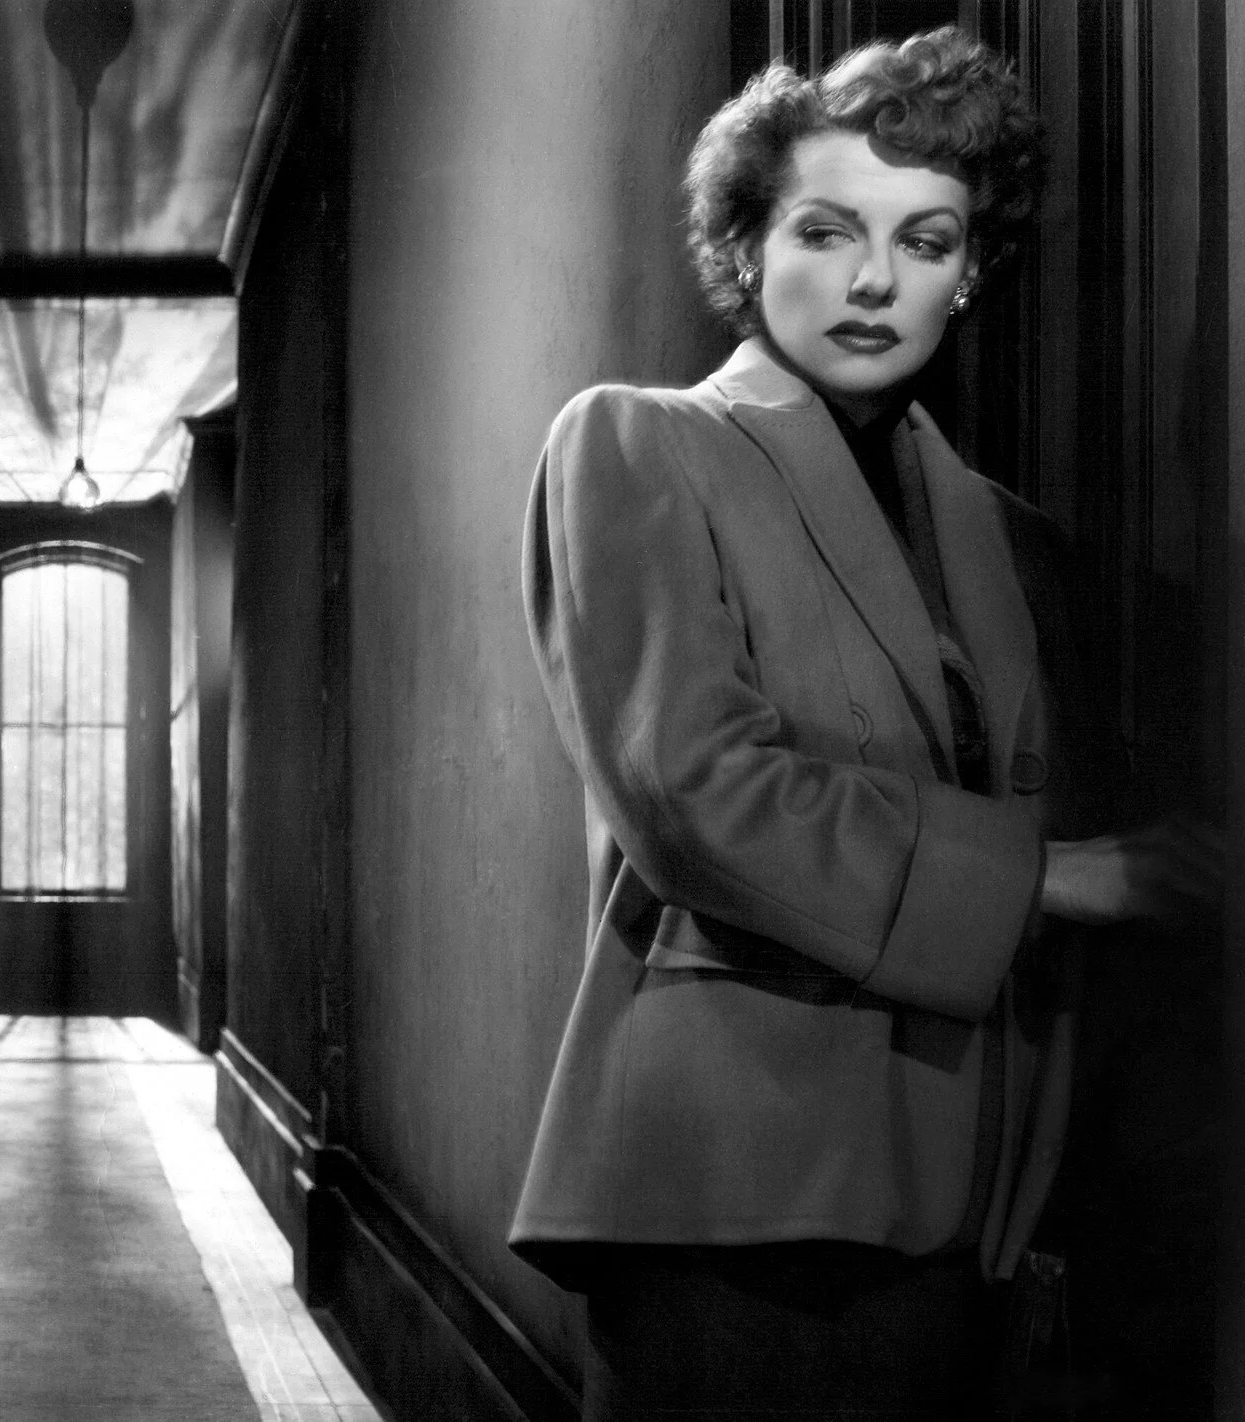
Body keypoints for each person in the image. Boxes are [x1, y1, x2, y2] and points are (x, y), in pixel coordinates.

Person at [510, 28, 1221, 1419]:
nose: (875, 280)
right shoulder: (637, 442)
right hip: (739, 1197)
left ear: (969, 275)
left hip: (977, 1208)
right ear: (745, 247)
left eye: (926, 240)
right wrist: (1052, 876)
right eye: (826, 231)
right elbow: (695, 793)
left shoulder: (1013, 540)